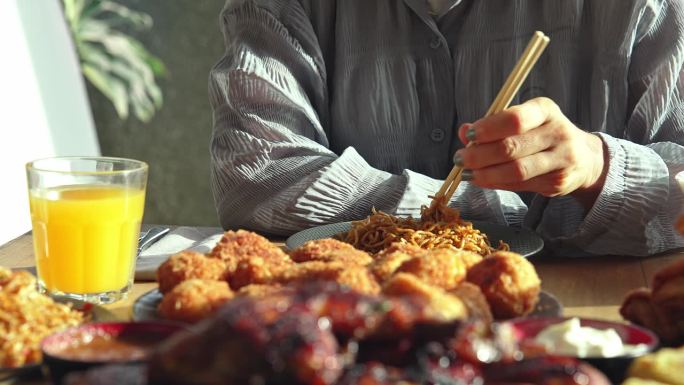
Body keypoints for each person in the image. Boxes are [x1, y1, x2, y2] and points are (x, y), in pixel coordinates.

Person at [208, 0, 684, 257]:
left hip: (586, 328)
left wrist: (599, 167)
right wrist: (506, 218)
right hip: (356, 325)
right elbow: (255, 174)